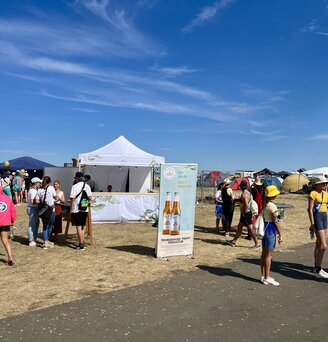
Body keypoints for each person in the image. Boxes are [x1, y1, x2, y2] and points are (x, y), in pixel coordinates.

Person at [226, 179, 260, 249]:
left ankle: (257, 244)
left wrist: (243, 213)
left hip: (246, 213)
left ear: (241, 187)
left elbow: (246, 205)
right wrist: (237, 200)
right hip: (246, 213)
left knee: (250, 229)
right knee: (240, 227)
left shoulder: (244, 194)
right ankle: (233, 241)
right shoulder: (247, 192)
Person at [260, 185, 282, 286]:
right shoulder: (272, 206)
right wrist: (280, 234)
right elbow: (275, 221)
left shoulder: (263, 204)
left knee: (264, 253)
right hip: (270, 229)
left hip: (263, 227)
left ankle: (263, 275)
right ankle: (266, 277)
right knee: (269, 254)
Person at [308, 176, 328, 279]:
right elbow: (310, 209)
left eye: (325, 183)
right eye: (322, 183)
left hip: (325, 217)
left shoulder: (326, 194)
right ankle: (318, 268)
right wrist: (312, 223)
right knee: (324, 246)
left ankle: (316, 267)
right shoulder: (313, 193)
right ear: (316, 184)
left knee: (319, 244)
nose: (324, 184)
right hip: (318, 218)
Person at [70, 172, 92, 250]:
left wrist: (71, 209)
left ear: (77, 178)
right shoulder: (87, 186)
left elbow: (72, 198)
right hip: (84, 208)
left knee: (78, 227)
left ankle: (81, 244)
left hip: (76, 209)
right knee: (82, 226)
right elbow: (90, 198)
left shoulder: (74, 186)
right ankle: (82, 242)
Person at [38, 176, 56, 249]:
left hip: (43, 209)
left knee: (45, 225)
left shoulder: (39, 190)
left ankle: (46, 240)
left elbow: (39, 199)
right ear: (50, 181)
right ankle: (45, 241)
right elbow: (55, 197)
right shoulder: (51, 188)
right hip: (51, 208)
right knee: (50, 225)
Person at [0, 185, 16, 266]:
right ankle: (10, 257)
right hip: (5, 222)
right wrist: (12, 220)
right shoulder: (7, 198)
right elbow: (12, 210)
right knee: (5, 240)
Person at [27, 177, 42, 246]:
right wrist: (41, 201)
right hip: (33, 208)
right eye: (39, 183)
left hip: (34, 208)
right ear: (36, 183)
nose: (40, 184)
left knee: (36, 223)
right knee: (32, 224)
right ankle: (31, 240)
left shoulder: (33, 190)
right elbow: (33, 201)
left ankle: (34, 238)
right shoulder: (33, 191)